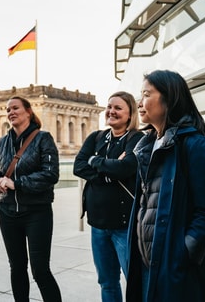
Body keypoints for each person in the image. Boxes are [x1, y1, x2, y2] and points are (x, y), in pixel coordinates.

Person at [126, 70, 205, 302]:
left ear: (169, 98)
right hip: (148, 264)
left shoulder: (196, 146)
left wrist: (183, 253)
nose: (140, 103)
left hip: (176, 268)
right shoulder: (146, 146)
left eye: (147, 94)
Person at [73, 91, 143, 302]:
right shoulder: (96, 138)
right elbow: (78, 166)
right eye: (109, 106)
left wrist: (96, 161)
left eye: (118, 108)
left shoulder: (137, 139)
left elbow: (127, 167)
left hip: (124, 226)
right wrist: (107, 172)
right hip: (98, 225)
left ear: (130, 114)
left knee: (135, 280)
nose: (111, 111)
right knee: (107, 282)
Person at [0, 96, 62, 302]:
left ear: (28, 112)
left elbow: (50, 175)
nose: (10, 112)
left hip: (37, 212)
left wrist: (17, 183)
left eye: (15, 108)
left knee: (40, 270)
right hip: (7, 212)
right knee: (17, 267)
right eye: (7, 109)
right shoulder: (3, 142)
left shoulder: (43, 139)